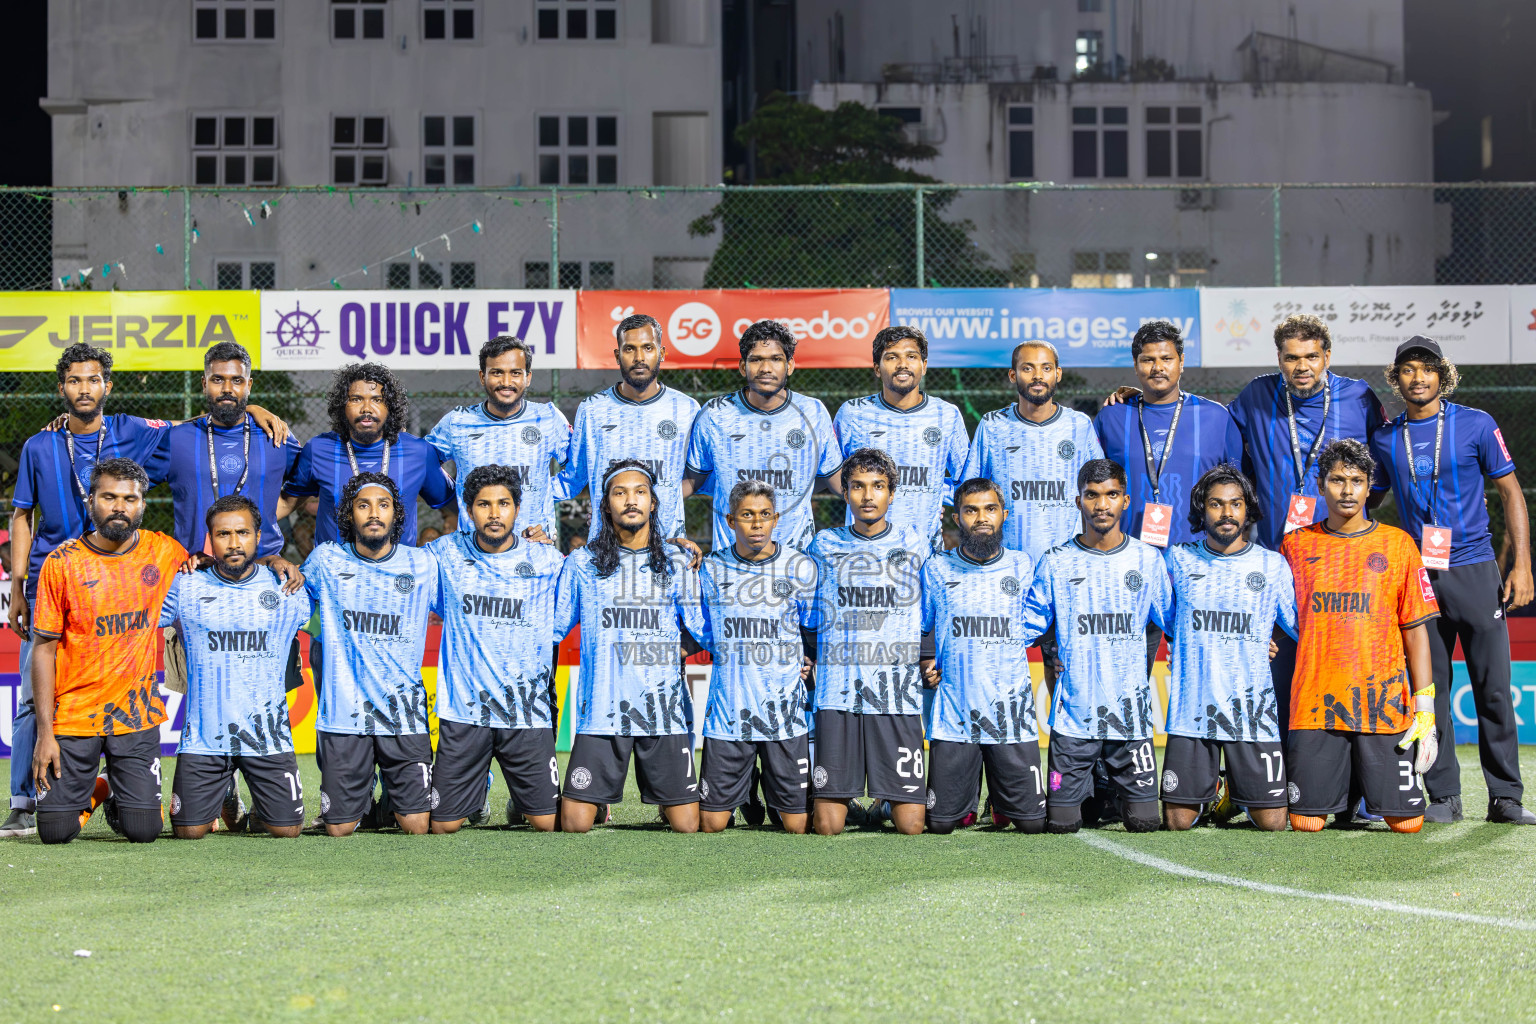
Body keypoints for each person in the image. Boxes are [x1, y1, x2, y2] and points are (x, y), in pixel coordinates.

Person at [5, 344, 287, 839]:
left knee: (206, 679)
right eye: (75, 381)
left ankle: (147, 783)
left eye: (93, 380)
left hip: (123, 577)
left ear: (107, 386)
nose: (85, 389)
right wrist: (18, 586)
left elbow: (202, 423)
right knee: (33, 699)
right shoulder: (41, 444)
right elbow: (22, 514)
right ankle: (23, 802)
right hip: (57, 579)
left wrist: (254, 409)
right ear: (62, 386)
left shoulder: (133, 430)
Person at [1370, 337, 1536, 824]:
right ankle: (1444, 796)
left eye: (1427, 368)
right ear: (1395, 378)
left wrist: (1522, 565)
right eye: (1407, 369)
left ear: (1442, 375)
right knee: (1431, 690)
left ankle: (1505, 797)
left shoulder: (1475, 423)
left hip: (1474, 569)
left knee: (1494, 688)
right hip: (1419, 576)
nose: (1417, 377)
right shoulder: (1386, 437)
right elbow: (1368, 498)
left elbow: (1511, 492)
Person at [1227, 314, 1388, 742]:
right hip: (1279, 562)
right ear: (1279, 358)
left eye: (1311, 357)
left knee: (1345, 665)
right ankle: (1275, 770)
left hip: (1341, 563)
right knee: (1277, 672)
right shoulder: (1256, 395)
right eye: (1291, 357)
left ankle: (1352, 771)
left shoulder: (1359, 397)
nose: (1302, 366)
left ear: (1327, 357)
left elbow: (1386, 465)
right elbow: (1223, 450)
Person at [1280, 439, 1438, 833]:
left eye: (1357, 481)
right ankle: (1342, 791)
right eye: (1337, 480)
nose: (1347, 490)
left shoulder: (1399, 544)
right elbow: (1276, 618)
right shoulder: (1295, 545)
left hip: (1382, 703)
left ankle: (1361, 790)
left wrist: (1425, 707)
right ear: (1321, 486)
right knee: (1305, 822)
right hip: (1316, 703)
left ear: (1369, 488)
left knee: (1407, 824)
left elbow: (1415, 630)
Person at [29, 458, 188, 844]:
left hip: (136, 714)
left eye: (130, 499)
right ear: (91, 502)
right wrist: (45, 733)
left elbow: (210, 574)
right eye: (109, 497)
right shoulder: (62, 563)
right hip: (74, 715)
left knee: (143, 831)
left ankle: (119, 786)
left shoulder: (164, 551)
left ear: (143, 505)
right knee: (55, 833)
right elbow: (43, 651)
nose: (120, 506)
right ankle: (103, 785)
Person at [1019, 459, 1172, 835]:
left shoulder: (1147, 559)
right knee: (1061, 825)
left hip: (1131, 721)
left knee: (1145, 822)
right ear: (1078, 501)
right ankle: (1088, 794)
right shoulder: (1055, 562)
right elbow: (1025, 626)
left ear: (1125, 500)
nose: (1101, 505)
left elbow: (1175, 623)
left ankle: (1109, 792)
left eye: (1111, 495)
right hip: (1073, 720)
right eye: (1092, 495)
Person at [553, 461, 707, 834]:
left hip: (663, 711)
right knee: (574, 825)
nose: (631, 500)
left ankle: (666, 800)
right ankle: (598, 803)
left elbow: (703, 628)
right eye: (619, 493)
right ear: (606, 506)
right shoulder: (582, 563)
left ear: (653, 503)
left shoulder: (676, 562)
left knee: (687, 826)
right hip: (602, 710)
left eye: (640, 492)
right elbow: (554, 628)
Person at [160, 495, 311, 839]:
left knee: (287, 830)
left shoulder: (286, 587)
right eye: (223, 534)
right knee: (189, 832)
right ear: (210, 540)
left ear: (258, 536)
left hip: (268, 738)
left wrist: (276, 560)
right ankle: (226, 790)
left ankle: (256, 804)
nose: (233, 543)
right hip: (204, 739)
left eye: (242, 533)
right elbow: (143, 619)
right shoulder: (186, 584)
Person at [425, 465, 565, 833]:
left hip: (525, 712)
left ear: (517, 509)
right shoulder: (443, 554)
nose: (494, 513)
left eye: (503, 503)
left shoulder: (547, 561)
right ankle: (477, 797)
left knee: (551, 824)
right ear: (469, 510)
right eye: (483, 504)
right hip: (464, 711)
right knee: (442, 827)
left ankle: (537, 801)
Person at [301, 472, 441, 837]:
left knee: (418, 826)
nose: (374, 513)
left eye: (384, 505)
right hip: (345, 717)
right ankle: (363, 802)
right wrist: (275, 562)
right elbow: (292, 596)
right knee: (339, 829)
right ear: (350, 515)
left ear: (396, 514)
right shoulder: (326, 560)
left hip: (404, 716)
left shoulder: (423, 564)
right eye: (364, 505)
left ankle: (390, 805)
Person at [1160, 464, 1298, 832]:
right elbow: (1160, 615)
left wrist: (1266, 637)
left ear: (1247, 509)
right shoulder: (1178, 559)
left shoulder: (1271, 565)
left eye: (1236, 504)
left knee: (1273, 823)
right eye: (1216, 504)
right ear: (1201, 510)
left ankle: (1236, 793)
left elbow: (1299, 624)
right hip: (1193, 709)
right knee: (1177, 822)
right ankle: (1214, 790)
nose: (1226, 513)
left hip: (1252, 712)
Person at [961, 341, 1102, 689]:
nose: (1037, 375)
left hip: (1065, 573)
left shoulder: (1079, 426)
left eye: (1045, 367)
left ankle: (1058, 728)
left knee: (1064, 676)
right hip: (1006, 572)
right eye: (1028, 368)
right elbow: (969, 493)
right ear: (1013, 375)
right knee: (997, 671)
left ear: (1058, 374)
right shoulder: (992, 425)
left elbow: (1097, 496)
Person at [806, 448, 929, 836]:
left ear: (892, 493)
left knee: (912, 825)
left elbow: (931, 609)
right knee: (827, 826)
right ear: (845, 493)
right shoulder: (824, 545)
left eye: (878, 486)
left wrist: (928, 657)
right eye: (858, 486)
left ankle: (884, 805)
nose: (868, 496)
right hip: (837, 693)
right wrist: (806, 656)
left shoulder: (915, 543)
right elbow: (808, 611)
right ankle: (849, 804)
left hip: (896, 694)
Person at [918, 477, 1044, 834]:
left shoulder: (1023, 565)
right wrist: (927, 661)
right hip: (955, 713)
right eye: (971, 510)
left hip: (1011, 713)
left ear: (1004, 514)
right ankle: (968, 805)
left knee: (1032, 825)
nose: (982, 518)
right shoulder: (937, 568)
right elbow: (922, 625)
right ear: (957, 517)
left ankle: (1000, 802)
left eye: (990, 509)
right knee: (940, 823)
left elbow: (1042, 621)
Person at [696, 480, 819, 834]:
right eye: (747, 515)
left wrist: (809, 659)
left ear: (776, 519)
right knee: (711, 824)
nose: (757, 524)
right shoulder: (711, 568)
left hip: (784, 714)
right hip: (729, 713)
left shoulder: (800, 567)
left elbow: (812, 626)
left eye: (765, 515)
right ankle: (747, 785)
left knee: (797, 827)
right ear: (730, 520)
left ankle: (769, 789)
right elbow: (700, 626)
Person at [685, 320, 843, 553]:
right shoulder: (715, 414)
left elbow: (836, 481)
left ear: (790, 366)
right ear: (742, 367)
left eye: (776, 359)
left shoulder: (813, 412)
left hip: (795, 559)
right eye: (756, 359)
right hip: (730, 560)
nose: (766, 368)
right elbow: (690, 482)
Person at [143, 341, 303, 559]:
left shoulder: (276, 435)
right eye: (217, 379)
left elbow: (307, 483)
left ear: (249, 385)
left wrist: (275, 510)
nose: (227, 389)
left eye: (237, 380)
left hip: (263, 566)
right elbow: (129, 489)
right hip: (196, 567)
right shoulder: (176, 439)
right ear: (204, 384)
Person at [283, 362, 455, 548]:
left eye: (377, 399)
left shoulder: (419, 452)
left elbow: (456, 506)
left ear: (390, 406)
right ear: (342, 406)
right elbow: (285, 504)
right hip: (334, 566)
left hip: (398, 566)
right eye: (356, 399)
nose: (366, 408)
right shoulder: (318, 450)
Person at [563, 314, 701, 544]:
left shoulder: (687, 409)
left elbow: (700, 474)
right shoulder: (592, 409)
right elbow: (575, 477)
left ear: (662, 353)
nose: (639, 358)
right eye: (629, 349)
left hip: (667, 543)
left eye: (648, 348)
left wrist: (667, 499)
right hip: (606, 544)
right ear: (617, 356)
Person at [832, 325, 969, 553]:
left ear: (924, 366)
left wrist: (937, 497)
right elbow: (832, 474)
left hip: (924, 551)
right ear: (877, 368)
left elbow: (967, 480)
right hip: (863, 549)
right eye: (892, 357)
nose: (902, 364)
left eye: (911, 356)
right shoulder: (852, 413)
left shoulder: (947, 415)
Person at [427, 336, 571, 544]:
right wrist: (453, 495)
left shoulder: (549, 418)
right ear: (482, 376)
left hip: (533, 546)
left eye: (515, 373)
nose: (506, 382)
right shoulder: (457, 422)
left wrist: (545, 494)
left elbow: (579, 470)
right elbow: (422, 463)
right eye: (497, 373)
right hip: (473, 551)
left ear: (528, 377)